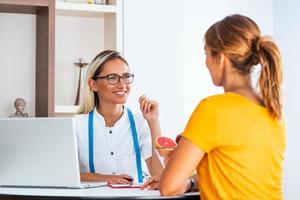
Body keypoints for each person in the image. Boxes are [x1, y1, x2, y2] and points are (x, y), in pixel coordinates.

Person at [142, 14, 285, 200]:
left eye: (207, 53)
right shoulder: (273, 111)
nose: (206, 62)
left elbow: (169, 186)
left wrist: (175, 164)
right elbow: (237, 177)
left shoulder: (213, 109)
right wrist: (192, 181)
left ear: (222, 58)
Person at [74, 50, 163, 184]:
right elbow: (65, 174)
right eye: (112, 77)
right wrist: (105, 178)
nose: (122, 85)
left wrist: (154, 122)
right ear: (93, 85)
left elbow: (160, 176)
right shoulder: (77, 125)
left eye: (126, 76)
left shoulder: (141, 122)